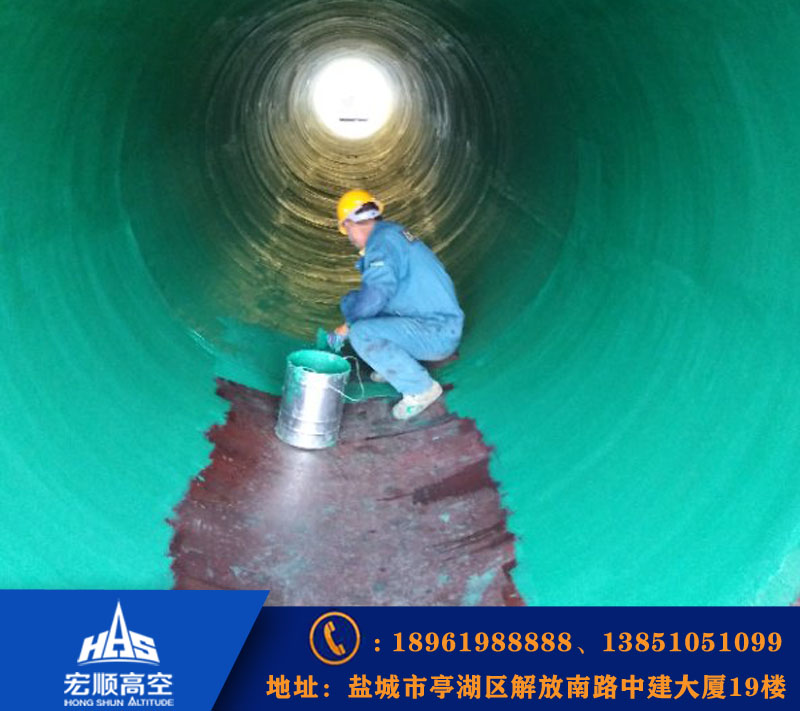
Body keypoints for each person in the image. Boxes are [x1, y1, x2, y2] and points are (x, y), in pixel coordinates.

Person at [331, 189, 464, 420]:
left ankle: (421, 389)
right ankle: (394, 363)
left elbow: (376, 295)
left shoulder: (381, 244)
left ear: (351, 224)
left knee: (362, 332)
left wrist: (349, 324)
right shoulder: (390, 234)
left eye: (347, 230)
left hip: (437, 331)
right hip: (431, 321)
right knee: (355, 304)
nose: (349, 238)